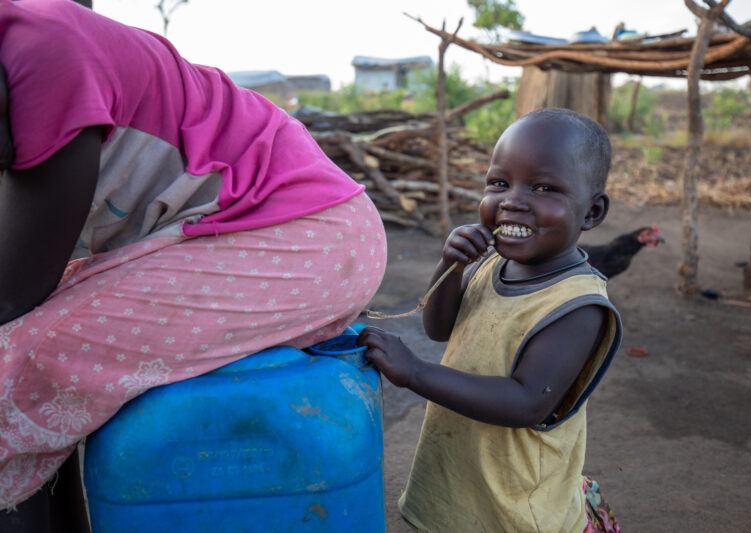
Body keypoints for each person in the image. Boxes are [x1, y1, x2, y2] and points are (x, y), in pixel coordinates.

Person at [0, 0, 386, 530]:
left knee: (18, 369)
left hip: (304, 240)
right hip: (233, 235)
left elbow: (13, 293)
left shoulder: (44, 54)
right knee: (34, 361)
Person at [358, 108, 622, 532]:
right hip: (460, 481)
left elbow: (526, 402)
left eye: (544, 187)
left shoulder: (577, 304)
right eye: (500, 183)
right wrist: (451, 266)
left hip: (513, 505)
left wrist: (415, 373)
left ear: (591, 212)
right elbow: (440, 329)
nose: (513, 201)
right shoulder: (490, 264)